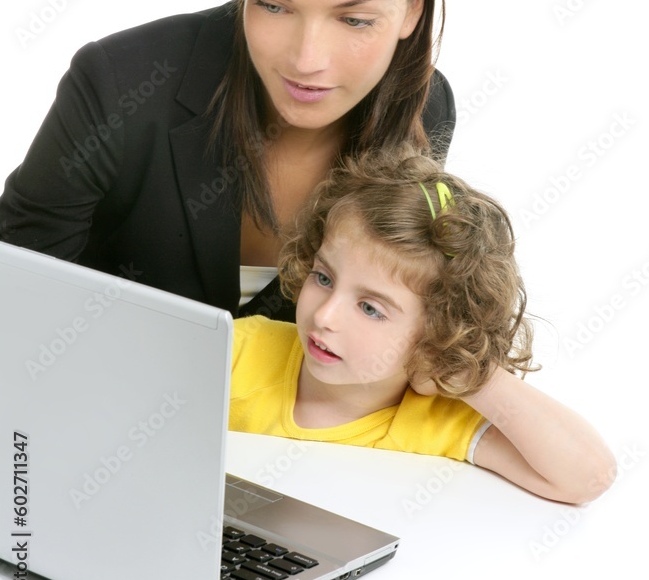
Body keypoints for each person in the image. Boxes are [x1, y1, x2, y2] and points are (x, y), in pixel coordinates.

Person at [0, 0, 455, 321]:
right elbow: (17, 290)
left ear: (413, 8)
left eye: (354, 20)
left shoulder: (425, 109)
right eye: (274, 6)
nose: (306, 60)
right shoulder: (119, 85)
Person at [230, 146, 617, 505]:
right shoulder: (239, 351)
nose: (324, 316)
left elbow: (589, 476)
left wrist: (468, 372)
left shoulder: (437, 419)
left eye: (369, 308)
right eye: (324, 278)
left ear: (438, 329)